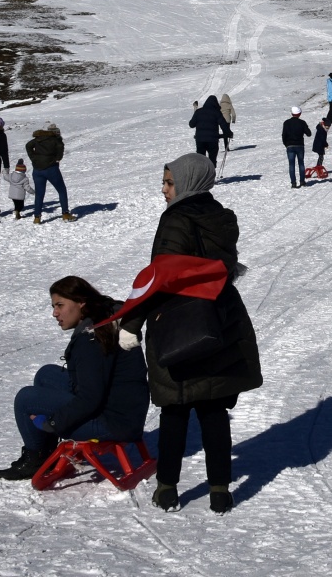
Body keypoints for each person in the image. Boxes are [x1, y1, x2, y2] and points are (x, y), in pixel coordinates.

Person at [113, 154, 262, 514]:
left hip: (179, 323)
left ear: (187, 182)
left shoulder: (176, 219)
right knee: (212, 408)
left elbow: (161, 279)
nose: (164, 190)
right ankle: (220, 492)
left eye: (168, 182)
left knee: (176, 410)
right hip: (217, 320)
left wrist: (131, 323)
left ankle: (167, 489)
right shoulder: (219, 216)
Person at [0, 276, 150, 481]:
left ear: (81, 303)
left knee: (25, 399)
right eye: (53, 306)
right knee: (46, 374)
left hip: (113, 422)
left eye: (60, 305)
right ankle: (46, 451)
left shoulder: (92, 338)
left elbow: (90, 398)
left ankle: (35, 459)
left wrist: (52, 423)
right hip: (126, 410)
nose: (54, 313)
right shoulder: (105, 316)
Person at [26, 122, 75, 224]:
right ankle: (65, 214)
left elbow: (28, 146)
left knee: (39, 194)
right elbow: (60, 152)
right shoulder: (56, 140)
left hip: (37, 170)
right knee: (61, 190)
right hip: (51, 169)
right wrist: (57, 159)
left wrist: (33, 158)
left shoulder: (38, 139)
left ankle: (37, 217)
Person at [189, 96, 232, 166]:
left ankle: (201, 174)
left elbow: (191, 124)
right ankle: (211, 174)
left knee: (200, 160)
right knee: (212, 160)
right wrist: (228, 133)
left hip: (200, 140)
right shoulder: (216, 112)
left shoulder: (198, 112)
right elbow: (223, 125)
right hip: (213, 140)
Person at [282, 105, 312, 188]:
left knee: (291, 165)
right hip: (299, 145)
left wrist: (286, 144)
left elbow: (284, 135)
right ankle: (302, 181)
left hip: (290, 146)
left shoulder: (286, 123)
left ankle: (293, 183)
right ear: (299, 114)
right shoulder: (302, 122)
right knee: (301, 163)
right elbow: (309, 134)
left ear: (292, 113)